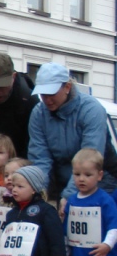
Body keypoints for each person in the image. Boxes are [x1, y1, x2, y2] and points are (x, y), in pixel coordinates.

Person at [27, 62, 117, 201]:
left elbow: (89, 159)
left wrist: (69, 196)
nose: (47, 99)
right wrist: (38, 192)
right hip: (59, 182)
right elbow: (40, 158)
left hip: (99, 182)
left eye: (52, 93)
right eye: (43, 94)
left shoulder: (92, 110)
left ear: (67, 87)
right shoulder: (38, 113)